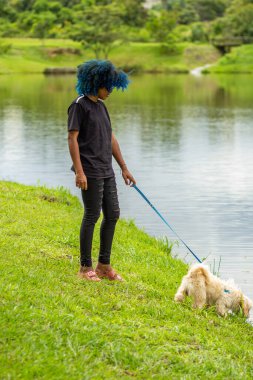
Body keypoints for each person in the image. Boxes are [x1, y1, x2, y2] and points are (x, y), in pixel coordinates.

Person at [67, 60, 136, 282]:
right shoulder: (79, 105)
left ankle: (103, 266)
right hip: (89, 171)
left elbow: (111, 138)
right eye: (108, 86)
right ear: (96, 83)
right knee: (92, 215)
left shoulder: (101, 106)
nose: (111, 91)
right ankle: (84, 267)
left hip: (106, 170)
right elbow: (72, 138)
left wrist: (124, 167)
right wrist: (79, 171)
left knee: (113, 214)